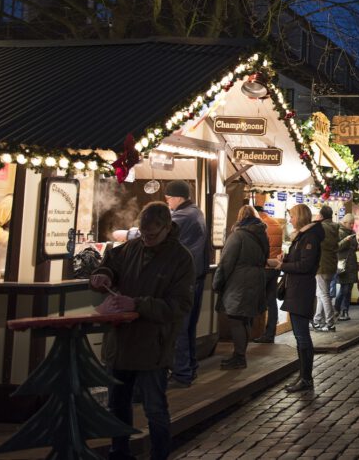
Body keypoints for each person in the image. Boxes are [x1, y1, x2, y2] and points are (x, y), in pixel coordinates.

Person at [90, 202, 195, 458]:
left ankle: (159, 454)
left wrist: (137, 305)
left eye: (152, 235)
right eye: (143, 233)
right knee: (118, 404)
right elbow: (110, 265)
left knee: (155, 408)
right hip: (121, 343)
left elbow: (178, 306)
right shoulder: (132, 247)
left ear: (167, 228)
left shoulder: (181, 259)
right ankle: (119, 451)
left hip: (153, 346)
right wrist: (102, 275)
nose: (147, 240)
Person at [213, 205, 268, 369]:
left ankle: (239, 357)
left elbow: (225, 263)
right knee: (245, 319)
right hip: (255, 280)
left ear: (240, 218)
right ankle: (240, 355)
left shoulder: (237, 236)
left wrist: (217, 282)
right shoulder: (262, 235)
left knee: (236, 319)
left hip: (239, 282)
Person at [164, 180, 207, 388]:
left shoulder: (183, 215)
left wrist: (128, 234)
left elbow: (160, 231)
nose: (168, 202)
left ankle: (181, 374)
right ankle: (190, 368)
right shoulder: (196, 212)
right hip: (195, 277)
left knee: (179, 326)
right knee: (188, 327)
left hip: (185, 279)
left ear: (178, 197)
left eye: (169, 198)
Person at [281, 204, 324, 392]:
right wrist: (285, 259)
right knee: (300, 337)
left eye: (291, 216)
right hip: (297, 289)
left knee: (302, 336)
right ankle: (303, 376)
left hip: (301, 290)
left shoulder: (309, 237)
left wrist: (281, 266)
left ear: (299, 217)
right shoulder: (303, 237)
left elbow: (305, 265)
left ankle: (306, 378)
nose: (290, 220)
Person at [254, 207, 285, 344]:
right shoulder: (276, 224)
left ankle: (256, 331)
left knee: (259, 300)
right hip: (275, 268)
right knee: (272, 301)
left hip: (265, 267)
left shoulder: (262, 226)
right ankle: (270, 333)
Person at [313, 205, 339, 332]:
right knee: (321, 294)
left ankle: (330, 322)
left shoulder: (321, 228)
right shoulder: (335, 227)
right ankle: (317, 320)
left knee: (324, 294)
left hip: (322, 264)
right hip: (331, 264)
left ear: (322, 216)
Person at [335, 214, 359, 321]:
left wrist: (358, 246)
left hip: (352, 264)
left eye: (353, 223)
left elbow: (353, 247)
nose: (352, 225)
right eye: (350, 223)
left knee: (348, 288)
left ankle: (341, 310)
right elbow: (337, 247)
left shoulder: (353, 233)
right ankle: (340, 309)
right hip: (343, 264)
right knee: (345, 289)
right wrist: (346, 240)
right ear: (344, 223)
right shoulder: (339, 232)